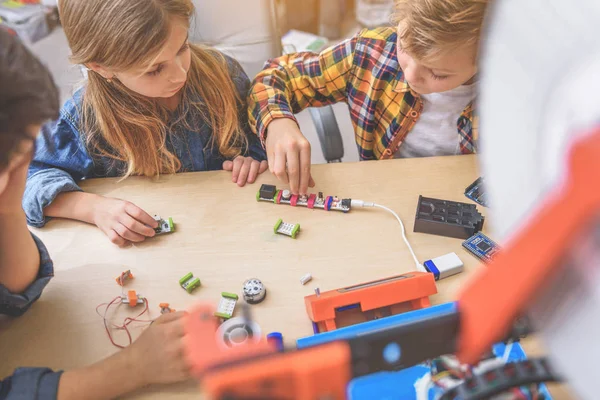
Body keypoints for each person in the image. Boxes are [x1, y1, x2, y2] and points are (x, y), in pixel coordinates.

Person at [0, 29, 191, 400]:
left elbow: (15, 296)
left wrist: (9, 203)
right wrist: (131, 369)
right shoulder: (83, 116)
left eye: (14, 158)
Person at [24, 0, 268, 246]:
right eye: (154, 70)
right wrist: (93, 209)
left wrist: (252, 159)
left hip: (229, 231)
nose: (180, 74)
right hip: (149, 252)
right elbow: (30, 180)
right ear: (101, 67)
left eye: (182, 48)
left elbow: (257, 138)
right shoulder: (84, 117)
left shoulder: (223, 73)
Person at [248, 0, 487, 195]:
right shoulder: (371, 52)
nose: (411, 76)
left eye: (437, 74)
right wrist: (278, 123)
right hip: (389, 199)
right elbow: (274, 77)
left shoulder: (513, 90)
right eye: (404, 48)